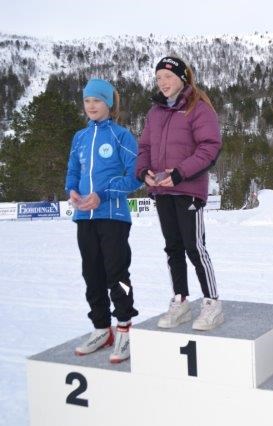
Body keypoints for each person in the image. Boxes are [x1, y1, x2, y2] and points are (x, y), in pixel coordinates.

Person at [136, 56, 223, 331]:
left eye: (168, 77)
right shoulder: (155, 112)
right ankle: (181, 300)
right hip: (162, 191)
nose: (162, 82)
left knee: (194, 247)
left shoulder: (198, 108)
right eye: (159, 77)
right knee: (172, 247)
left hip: (187, 189)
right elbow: (144, 148)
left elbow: (210, 147)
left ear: (183, 78)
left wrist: (179, 173)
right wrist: (144, 173)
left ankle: (211, 302)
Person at [65, 78, 142, 363]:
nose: (91, 106)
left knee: (116, 274)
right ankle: (101, 327)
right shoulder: (79, 138)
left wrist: (103, 194)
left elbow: (135, 176)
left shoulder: (122, 136)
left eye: (97, 100)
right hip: (84, 216)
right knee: (91, 273)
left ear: (108, 104)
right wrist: (71, 190)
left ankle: (124, 327)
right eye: (87, 101)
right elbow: (72, 171)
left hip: (113, 215)